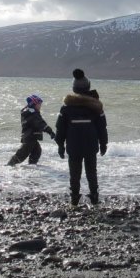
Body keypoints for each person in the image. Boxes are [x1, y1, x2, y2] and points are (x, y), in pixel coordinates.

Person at [54, 69, 108, 206]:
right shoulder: (96, 106)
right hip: (91, 146)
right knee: (91, 172)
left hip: (73, 146)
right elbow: (102, 127)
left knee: (74, 173)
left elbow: (60, 128)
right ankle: (94, 197)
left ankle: (74, 198)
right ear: (88, 87)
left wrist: (60, 145)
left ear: (74, 89)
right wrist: (103, 144)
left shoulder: (66, 107)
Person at [7, 94, 55, 166]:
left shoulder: (29, 112)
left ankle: (32, 165)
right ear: (33, 104)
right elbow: (40, 123)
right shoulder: (32, 114)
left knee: (37, 151)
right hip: (30, 137)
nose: (40, 106)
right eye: (39, 104)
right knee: (22, 154)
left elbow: (39, 122)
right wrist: (50, 131)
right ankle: (9, 165)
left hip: (30, 136)